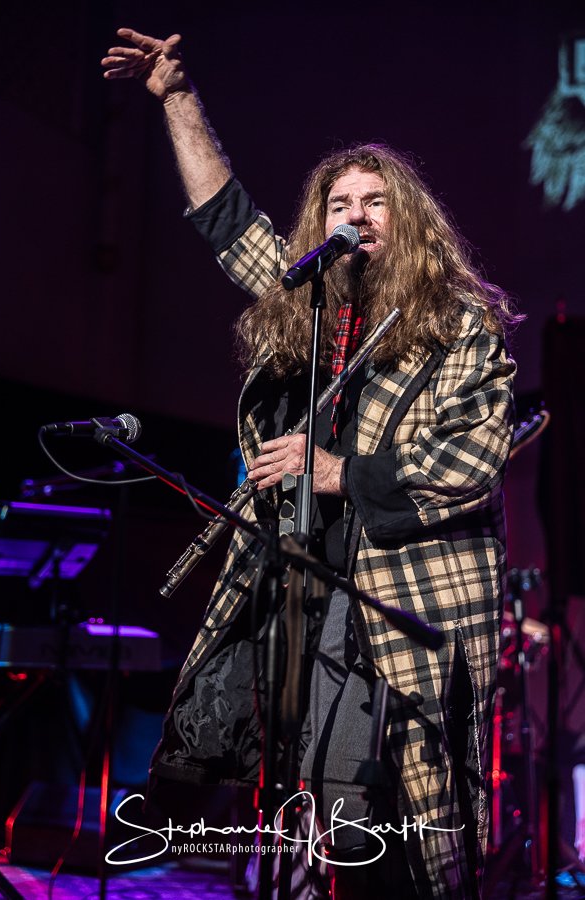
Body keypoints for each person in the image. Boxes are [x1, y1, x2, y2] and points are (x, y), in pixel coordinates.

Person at [102, 28, 519, 899]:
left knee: (405, 833)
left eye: (375, 202)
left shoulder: (459, 324)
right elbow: (226, 219)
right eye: (339, 204)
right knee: (309, 811)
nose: (354, 215)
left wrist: (336, 471)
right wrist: (177, 98)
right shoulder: (309, 302)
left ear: (408, 222)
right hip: (303, 593)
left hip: (406, 604)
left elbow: (470, 461)